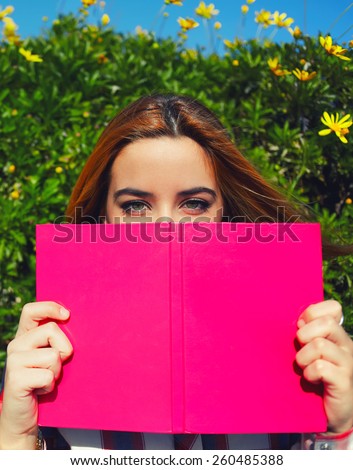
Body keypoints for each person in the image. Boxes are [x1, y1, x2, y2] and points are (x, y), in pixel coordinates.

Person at [0, 94, 353, 450]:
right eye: (135, 206)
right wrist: (15, 440)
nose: (166, 227)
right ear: (100, 216)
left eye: (195, 204)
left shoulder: (299, 356)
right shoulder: (45, 372)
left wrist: (339, 432)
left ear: (226, 213)